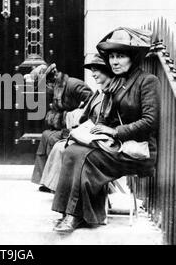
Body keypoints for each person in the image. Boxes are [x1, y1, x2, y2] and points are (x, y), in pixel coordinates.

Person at [52, 27, 160, 233]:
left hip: (137, 151)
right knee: (72, 150)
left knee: (85, 157)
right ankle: (66, 212)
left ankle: (76, 216)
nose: (115, 62)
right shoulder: (118, 82)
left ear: (132, 58)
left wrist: (114, 132)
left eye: (121, 56)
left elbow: (150, 122)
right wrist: (93, 129)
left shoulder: (147, 81)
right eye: (111, 57)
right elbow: (105, 118)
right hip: (116, 146)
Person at [39, 53, 114, 192]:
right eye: (92, 71)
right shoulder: (104, 91)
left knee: (60, 145)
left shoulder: (74, 85)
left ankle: (63, 192)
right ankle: (52, 186)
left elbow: (90, 106)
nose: (93, 75)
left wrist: (75, 115)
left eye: (96, 70)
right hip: (83, 128)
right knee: (52, 140)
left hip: (100, 137)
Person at [27, 63, 93, 192]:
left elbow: (92, 104)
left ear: (51, 81)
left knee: (53, 139)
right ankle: (46, 181)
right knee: (46, 135)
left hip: (79, 128)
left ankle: (57, 185)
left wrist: (74, 117)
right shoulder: (58, 88)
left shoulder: (73, 85)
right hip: (67, 125)